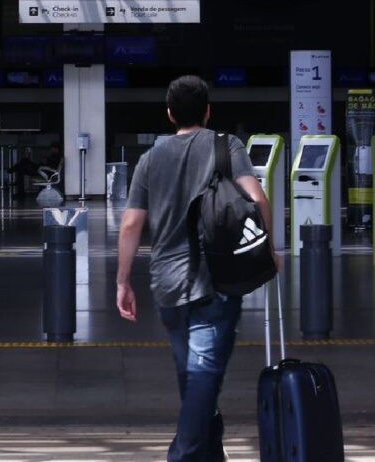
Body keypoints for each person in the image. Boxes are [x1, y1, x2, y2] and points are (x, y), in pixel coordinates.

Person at [116, 75, 282, 462]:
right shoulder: (227, 146)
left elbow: (130, 224)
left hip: (167, 285)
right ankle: (184, 454)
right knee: (203, 376)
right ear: (208, 111)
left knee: (191, 377)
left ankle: (209, 452)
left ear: (170, 114)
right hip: (216, 279)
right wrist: (269, 249)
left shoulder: (149, 159)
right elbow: (257, 197)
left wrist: (123, 281)